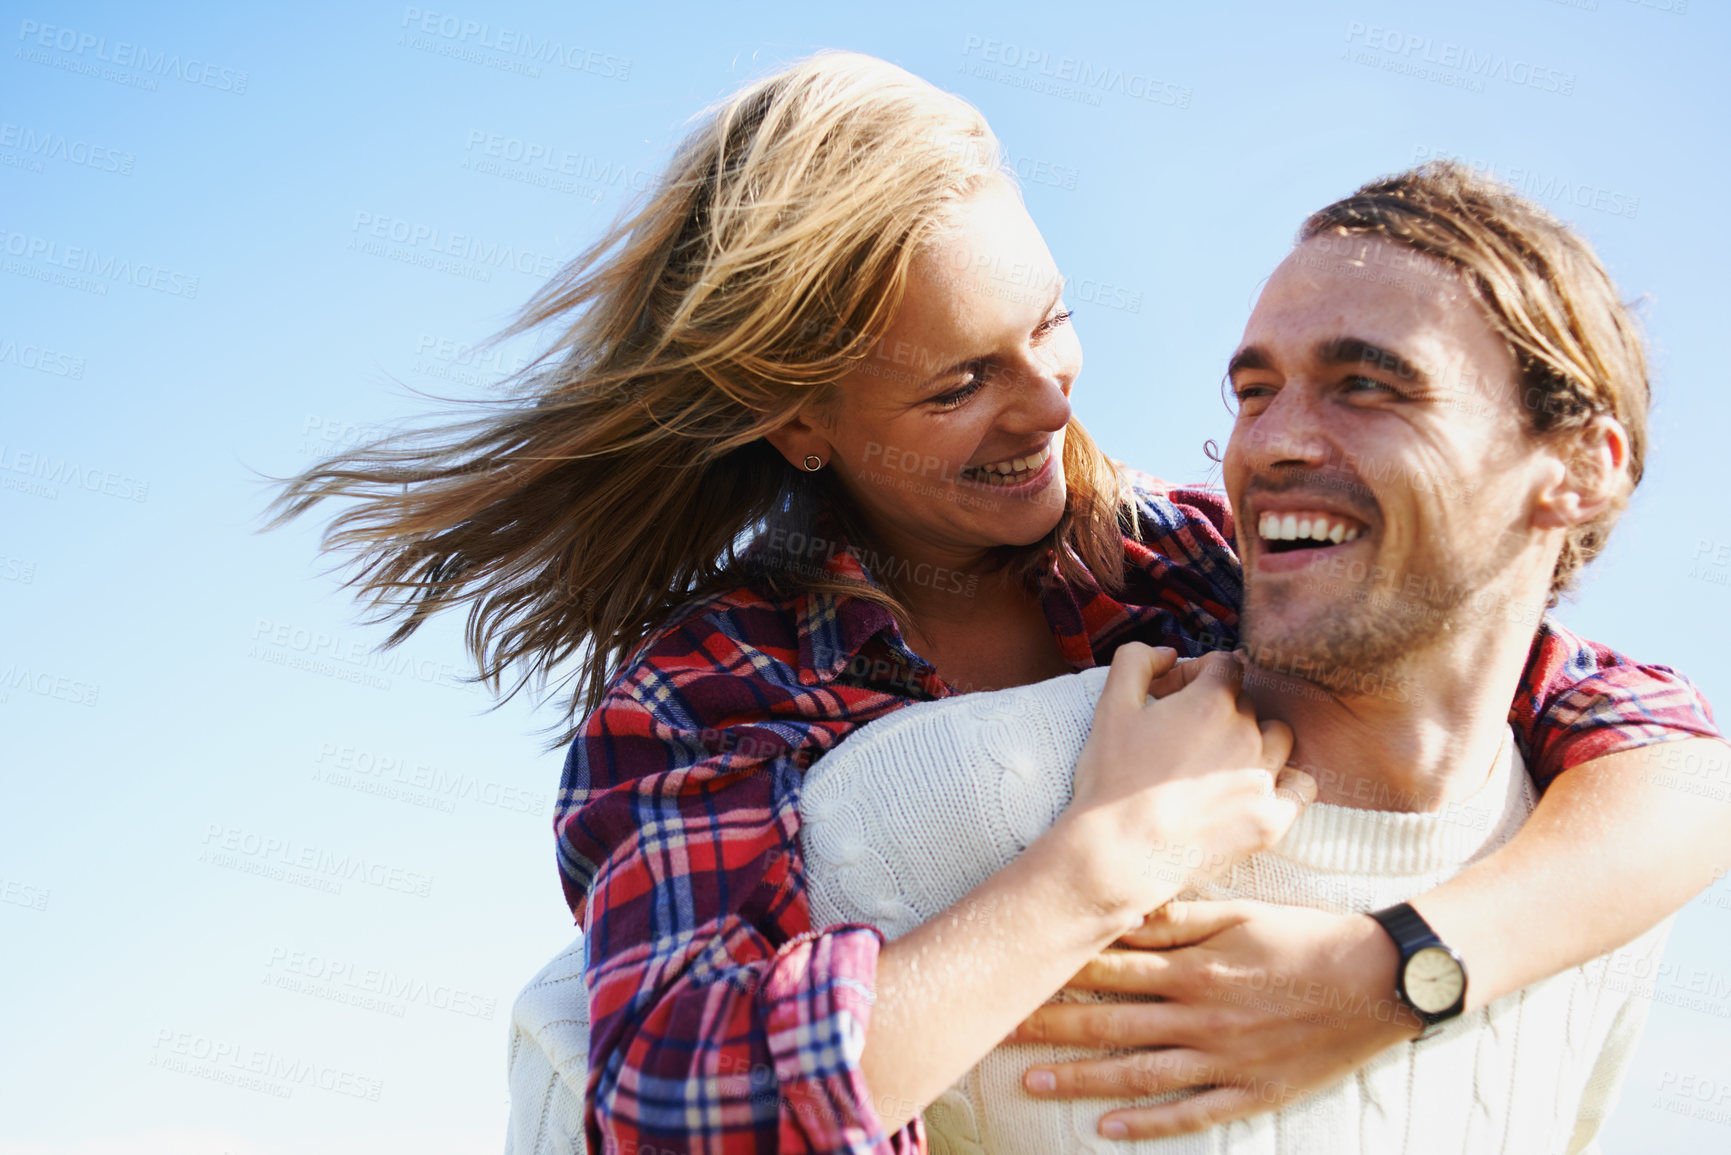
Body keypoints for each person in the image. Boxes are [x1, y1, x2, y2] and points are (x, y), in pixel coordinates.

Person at [270, 53, 1723, 1153]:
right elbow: (667, 1093)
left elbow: (1635, 726)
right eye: (957, 379)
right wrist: (1096, 859)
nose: (1045, 404)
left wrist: (1382, 970)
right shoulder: (710, 687)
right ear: (799, 422)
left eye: (1045, 324)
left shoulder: (1180, 553)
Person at [796, 160, 1720, 1152]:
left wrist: (1400, 970)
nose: (1268, 443)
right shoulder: (932, 810)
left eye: (1366, 384)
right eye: (1255, 390)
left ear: (1581, 469)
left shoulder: (1602, 875)